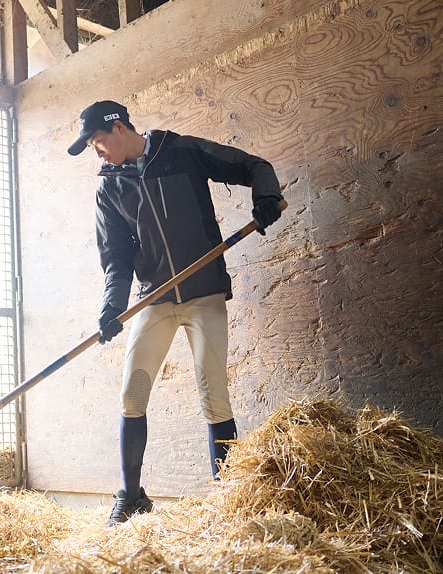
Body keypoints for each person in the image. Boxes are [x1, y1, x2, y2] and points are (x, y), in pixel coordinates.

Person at [66, 100, 283, 526]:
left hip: (203, 294)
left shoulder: (180, 152)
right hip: (155, 298)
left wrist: (267, 196)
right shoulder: (109, 189)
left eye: (97, 142)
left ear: (118, 127)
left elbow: (253, 165)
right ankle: (131, 498)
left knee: (212, 392)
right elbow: (117, 257)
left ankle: (229, 501)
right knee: (132, 392)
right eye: (91, 146)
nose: (98, 152)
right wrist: (112, 306)